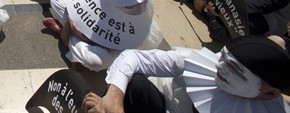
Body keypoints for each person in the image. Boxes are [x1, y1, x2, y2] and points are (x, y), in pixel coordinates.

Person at [84, 35, 290, 113]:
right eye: (224, 57)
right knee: (132, 85)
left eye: (235, 70)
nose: (220, 68)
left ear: (270, 93)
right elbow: (133, 58)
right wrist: (113, 97)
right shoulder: (204, 62)